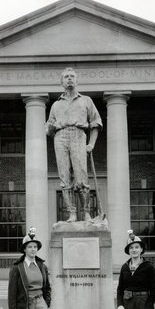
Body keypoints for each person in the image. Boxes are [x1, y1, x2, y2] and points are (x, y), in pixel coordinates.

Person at [45, 67, 102, 222]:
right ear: (62, 82)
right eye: (66, 77)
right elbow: (48, 129)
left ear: (77, 80)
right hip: (60, 136)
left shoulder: (86, 100)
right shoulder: (56, 105)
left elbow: (95, 124)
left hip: (78, 135)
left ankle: (87, 212)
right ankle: (72, 213)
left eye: (72, 76)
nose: (69, 79)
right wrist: (51, 127)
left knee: (81, 177)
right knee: (64, 178)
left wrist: (91, 144)